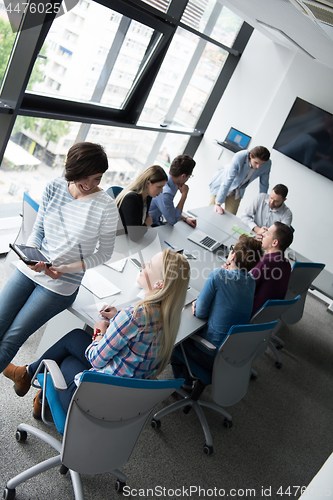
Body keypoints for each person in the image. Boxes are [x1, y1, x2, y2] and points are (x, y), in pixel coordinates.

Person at [4, 249, 190, 418]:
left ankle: (41, 398)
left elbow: (96, 359)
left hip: (89, 403)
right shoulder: (168, 316)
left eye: (149, 265)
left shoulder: (134, 316)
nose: (143, 265)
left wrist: (99, 331)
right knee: (76, 336)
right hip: (123, 399)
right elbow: (138, 336)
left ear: (159, 283)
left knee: (66, 359)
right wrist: (118, 318)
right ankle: (26, 377)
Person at [0, 142, 118, 374]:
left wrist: (66, 268)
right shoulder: (54, 186)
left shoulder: (106, 206)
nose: (89, 184)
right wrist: (31, 253)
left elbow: (104, 253)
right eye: (84, 177)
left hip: (60, 284)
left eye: (97, 178)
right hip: (32, 269)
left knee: (10, 340)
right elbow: (39, 229)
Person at [171, 235, 263, 388]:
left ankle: (184, 385)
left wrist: (198, 302)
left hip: (209, 353)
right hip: (231, 354)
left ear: (232, 255)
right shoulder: (251, 281)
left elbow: (200, 313)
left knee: (174, 339)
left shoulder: (219, 275)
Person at [209, 146, 271, 216]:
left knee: (229, 218)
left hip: (237, 191)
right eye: (256, 163)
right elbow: (228, 179)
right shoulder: (240, 156)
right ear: (250, 156)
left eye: (261, 164)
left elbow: (264, 185)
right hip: (222, 185)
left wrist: (261, 204)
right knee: (211, 212)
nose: (258, 167)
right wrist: (218, 203)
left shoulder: (267, 164)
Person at [251, 221, 294, 316]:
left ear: (274, 242)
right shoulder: (286, 264)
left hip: (250, 313)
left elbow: (242, 286)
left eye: (267, 233)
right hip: (266, 317)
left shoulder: (265, 262)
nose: (263, 234)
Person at [116, 165, 168, 240]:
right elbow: (134, 236)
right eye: (159, 187)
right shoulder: (131, 199)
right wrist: (147, 224)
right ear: (148, 183)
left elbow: (138, 226)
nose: (161, 191)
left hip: (128, 240)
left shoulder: (148, 197)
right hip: (119, 240)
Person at [149, 154, 197, 227]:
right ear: (183, 176)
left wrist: (185, 218)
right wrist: (184, 195)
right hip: (148, 226)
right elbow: (172, 220)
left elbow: (169, 209)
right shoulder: (166, 192)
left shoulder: (167, 182)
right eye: (189, 176)